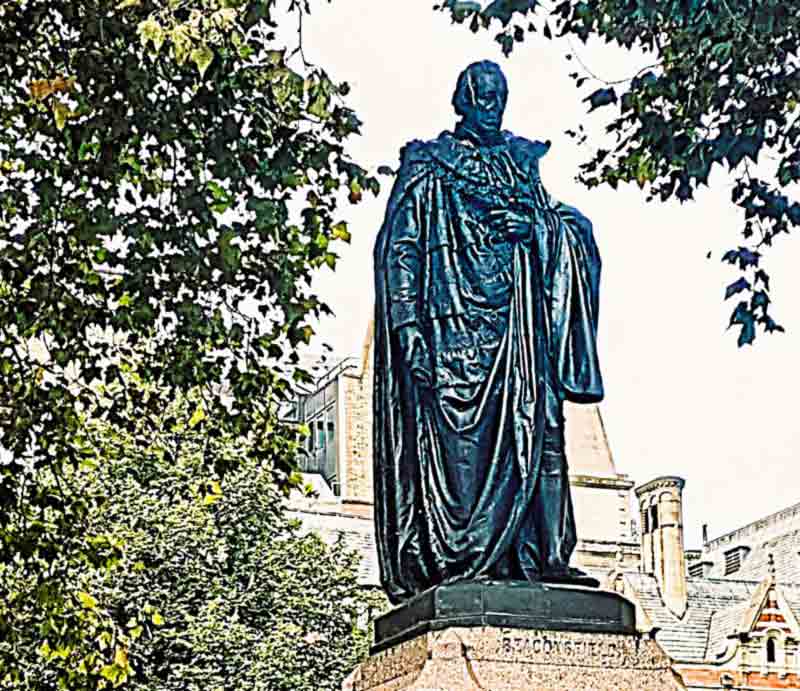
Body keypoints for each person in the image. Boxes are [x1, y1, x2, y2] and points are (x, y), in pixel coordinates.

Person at [373, 60, 604, 605]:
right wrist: (408, 328)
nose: (491, 104)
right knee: (462, 454)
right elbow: (399, 252)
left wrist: (538, 229)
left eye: (499, 95)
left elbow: (563, 227)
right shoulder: (428, 167)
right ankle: (464, 557)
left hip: (522, 334)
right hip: (455, 337)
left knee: (545, 432)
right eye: (481, 95)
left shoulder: (522, 164)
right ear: (461, 101)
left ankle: (545, 557)